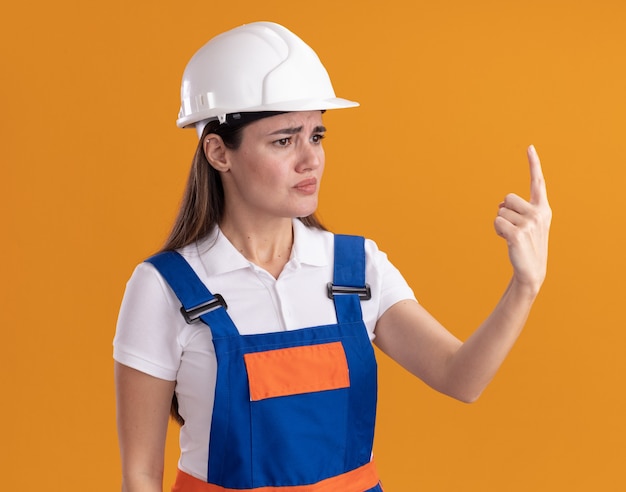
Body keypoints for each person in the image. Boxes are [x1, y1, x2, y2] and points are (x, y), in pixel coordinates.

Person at [113, 21, 551, 492]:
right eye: (284, 140)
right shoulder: (164, 287)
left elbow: (460, 377)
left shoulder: (357, 268)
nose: (311, 159)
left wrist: (523, 286)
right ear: (219, 152)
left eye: (316, 135)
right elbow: (141, 474)